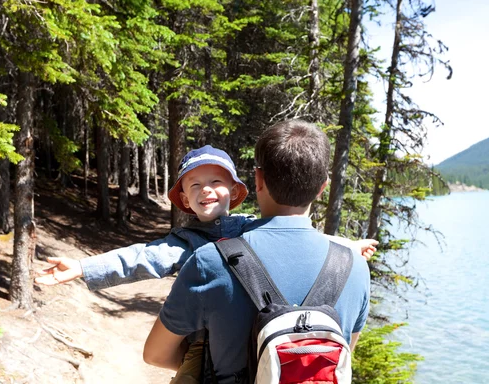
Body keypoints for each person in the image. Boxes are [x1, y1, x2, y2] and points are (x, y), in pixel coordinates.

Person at [36, 144, 376, 383]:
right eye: (195, 185)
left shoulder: (248, 226)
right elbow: (141, 257)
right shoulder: (184, 243)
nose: (206, 191)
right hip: (201, 348)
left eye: (215, 182)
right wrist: (84, 267)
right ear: (184, 198)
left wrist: (346, 245)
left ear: (235, 190)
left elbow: (294, 235)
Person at [143, 120, 371, 383]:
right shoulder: (355, 266)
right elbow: (343, 357)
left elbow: (156, 355)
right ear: (323, 187)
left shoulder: (210, 260)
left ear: (258, 180)